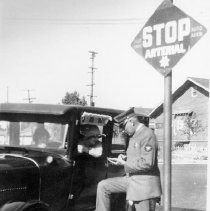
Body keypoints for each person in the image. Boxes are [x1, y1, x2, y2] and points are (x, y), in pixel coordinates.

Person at [95, 115, 162, 211]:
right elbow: (137, 156)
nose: (123, 130)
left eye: (124, 126)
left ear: (132, 121)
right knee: (103, 186)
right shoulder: (134, 135)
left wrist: (124, 163)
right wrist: (125, 158)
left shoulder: (148, 134)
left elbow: (147, 163)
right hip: (132, 180)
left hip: (145, 184)